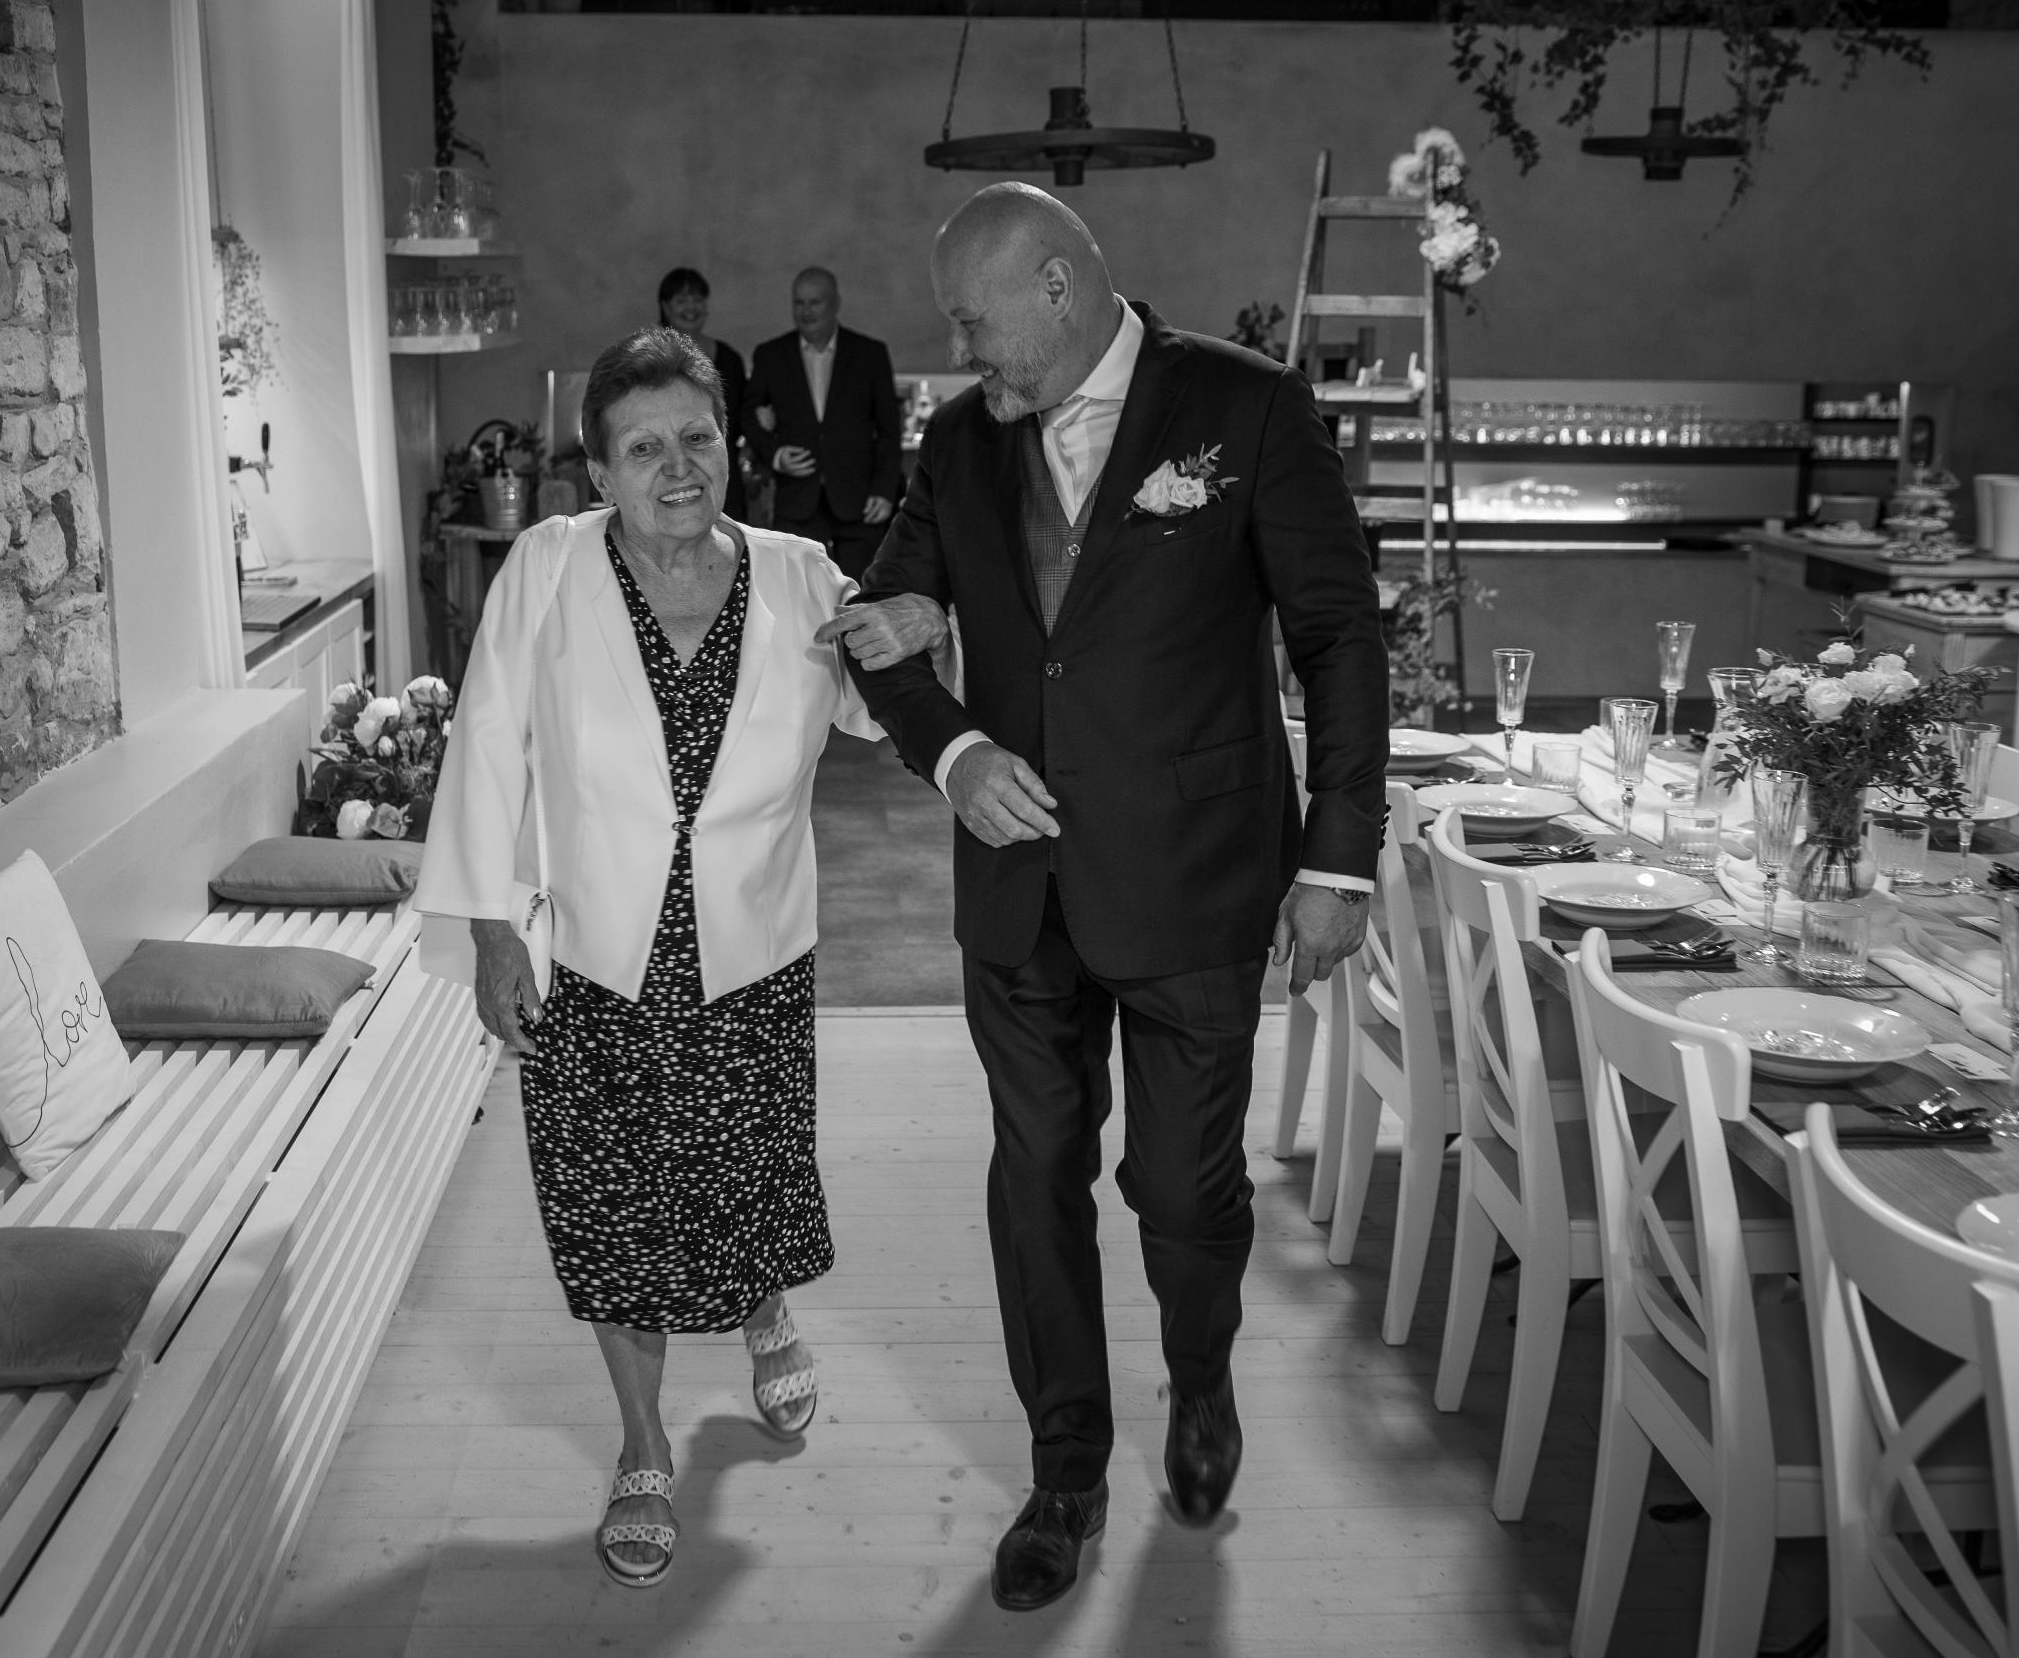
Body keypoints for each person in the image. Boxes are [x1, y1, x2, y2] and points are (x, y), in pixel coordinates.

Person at [819, 183, 1389, 1612]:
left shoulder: (1246, 408)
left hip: (1196, 877)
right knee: (1036, 1180)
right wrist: (953, 753)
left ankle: (1200, 1379)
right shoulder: (959, 444)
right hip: (1018, 890)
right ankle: (1065, 1471)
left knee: (1184, 1190)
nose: (960, 353)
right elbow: (874, 631)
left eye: (973, 321)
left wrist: (1337, 859)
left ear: (1059, 285)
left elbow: (1338, 636)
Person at [417, 327, 907, 1588]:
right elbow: (487, 745)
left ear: (731, 445)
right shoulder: (547, 568)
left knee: (747, 1182)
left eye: (698, 437)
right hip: (591, 956)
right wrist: (488, 928)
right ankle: (642, 1444)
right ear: (599, 472)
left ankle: (764, 1307)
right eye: (643, 449)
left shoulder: (803, 577)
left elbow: (886, 709)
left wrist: (931, 636)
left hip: (753, 953)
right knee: (612, 1211)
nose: (676, 467)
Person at [746, 267, 902, 578]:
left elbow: (889, 428)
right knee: (794, 591)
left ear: (835, 303)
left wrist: (884, 490)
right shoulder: (770, 354)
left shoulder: (870, 354)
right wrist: (776, 455)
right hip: (797, 502)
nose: (806, 312)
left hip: (859, 501)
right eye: (799, 303)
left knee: (860, 593)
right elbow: (746, 415)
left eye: (815, 302)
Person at [655, 265, 753, 520]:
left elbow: (742, 416)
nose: (691, 307)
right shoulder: (649, 358)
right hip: (669, 469)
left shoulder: (729, 358)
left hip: (722, 468)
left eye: (697, 299)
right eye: (682, 300)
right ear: (665, 306)